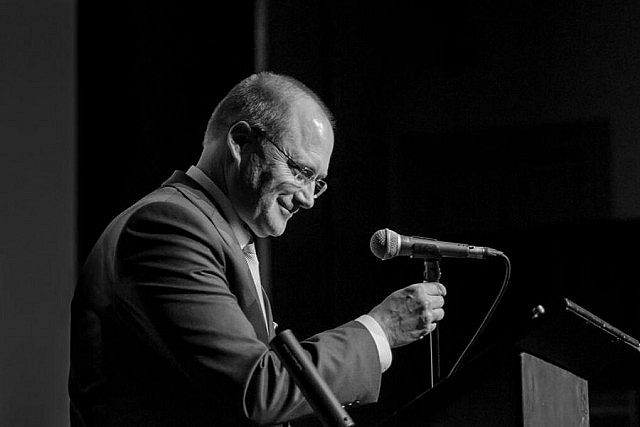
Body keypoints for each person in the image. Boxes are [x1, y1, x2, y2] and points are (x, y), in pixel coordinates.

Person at [69, 72, 446, 426]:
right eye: (300, 171)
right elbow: (257, 389)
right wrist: (379, 329)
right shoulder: (168, 229)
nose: (309, 199)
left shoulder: (218, 234)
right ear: (240, 141)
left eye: (318, 182)